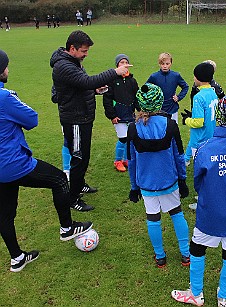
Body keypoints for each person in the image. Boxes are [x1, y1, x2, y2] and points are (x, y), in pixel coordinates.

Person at [0, 49, 93, 273]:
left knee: (5, 213)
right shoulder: (5, 97)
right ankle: (67, 228)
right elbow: (32, 119)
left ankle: (17, 258)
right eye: (5, 66)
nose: (8, 69)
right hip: (13, 163)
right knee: (60, 179)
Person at [171, 94, 226, 307]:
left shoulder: (205, 148)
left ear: (217, 116)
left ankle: (196, 293)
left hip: (210, 210)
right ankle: (223, 297)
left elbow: (198, 182)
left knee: (198, 248)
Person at [50, 30, 130, 211]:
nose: (86, 55)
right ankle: (73, 198)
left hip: (83, 116)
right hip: (75, 119)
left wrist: (95, 91)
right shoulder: (64, 66)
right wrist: (115, 72)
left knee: (83, 156)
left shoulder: (73, 62)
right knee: (79, 158)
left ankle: (80, 184)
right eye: (84, 51)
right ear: (72, 48)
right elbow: (86, 81)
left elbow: (79, 87)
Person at [127, 83, 190, 268]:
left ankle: (160, 256)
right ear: (160, 101)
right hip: (169, 180)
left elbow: (131, 161)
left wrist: (134, 186)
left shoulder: (132, 128)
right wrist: (183, 179)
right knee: (177, 213)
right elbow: (179, 155)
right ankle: (186, 254)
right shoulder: (170, 125)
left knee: (152, 218)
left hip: (146, 183)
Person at [181, 63, 218, 211]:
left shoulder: (198, 96)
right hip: (211, 137)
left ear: (196, 78)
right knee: (208, 171)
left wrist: (187, 120)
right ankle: (206, 196)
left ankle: (204, 201)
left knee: (201, 173)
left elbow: (198, 122)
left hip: (200, 140)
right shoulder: (213, 93)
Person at [103, 54, 139, 172]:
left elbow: (136, 97)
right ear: (117, 65)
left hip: (130, 115)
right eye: (121, 62)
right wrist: (112, 115)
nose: (124, 65)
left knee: (130, 138)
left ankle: (125, 159)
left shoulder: (132, 81)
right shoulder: (112, 81)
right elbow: (107, 99)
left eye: (125, 62)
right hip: (118, 115)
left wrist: (140, 110)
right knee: (123, 138)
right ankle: (118, 160)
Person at [146, 52, 189, 123]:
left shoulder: (176, 76)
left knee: (173, 130)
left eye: (167, 64)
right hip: (158, 109)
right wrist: (152, 99)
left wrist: (179, 97)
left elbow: (185, 87)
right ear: (159, 64)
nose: (165, 66)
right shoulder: (154, 77)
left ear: (171, 64)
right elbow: (145, 89)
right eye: (162, 64)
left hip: (172, 108)